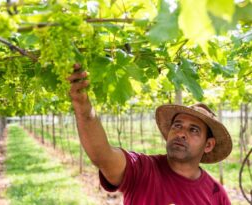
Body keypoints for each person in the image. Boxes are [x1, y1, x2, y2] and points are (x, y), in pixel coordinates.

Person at [68, 64, 233, 205]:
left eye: (193, 130)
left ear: (209, 145)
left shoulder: (217, 194)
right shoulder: (142, 169)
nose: (181, 133)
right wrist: (83, 108)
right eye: (177, 125)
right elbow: (102, 156)